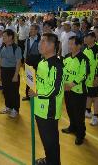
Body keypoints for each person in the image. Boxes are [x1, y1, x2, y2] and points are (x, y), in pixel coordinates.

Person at [28, 33, 64, 165]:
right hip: (38, 107)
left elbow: (55, 89)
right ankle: (49, 160)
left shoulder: (57, 65)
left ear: (52, 46)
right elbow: (40, 82)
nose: (40, 44)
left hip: (49, 110)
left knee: (51, 142)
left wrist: (37, 94)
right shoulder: (42, 62)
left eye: (43, 42)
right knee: (46, 140)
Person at [62, 36, 89, 145]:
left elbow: (83, 74)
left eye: (72, 44)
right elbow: (63, 71)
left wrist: (72, 84)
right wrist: (64, 84)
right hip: (67, 89)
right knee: (70, 110)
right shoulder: (67, 57)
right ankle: (72, 127)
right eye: (69, 44)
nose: (70, 46)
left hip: (78, 91)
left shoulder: (83, 58)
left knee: (79, 114)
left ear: (79, 45)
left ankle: (80, 134)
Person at [0, 29, 22, 118]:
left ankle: (15, 109)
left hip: (12, 71)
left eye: (4, 36)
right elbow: (0, 59)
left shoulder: (16, 48)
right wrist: (0, 72)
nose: (3, 38)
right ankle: (8, 107)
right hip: (4, 71)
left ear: (10, 37)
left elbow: (18, 62)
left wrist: (16, 75)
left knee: (14, 92)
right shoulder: (3, 46)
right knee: (5, 91)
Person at [84, 32, 98, 126]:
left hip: (94, 78)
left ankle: (95, 116)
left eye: (86, 37)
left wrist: (97, 77)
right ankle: (87, 111)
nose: (85, 39)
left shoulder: (97, 50)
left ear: (92, 38)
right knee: (88, 95)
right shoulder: (85, 49)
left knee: (95, 97)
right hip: (87, 78)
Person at [22, 24, 41, 101]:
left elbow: (41, 53)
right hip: (28, 61)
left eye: (33, 29)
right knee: (28, 79)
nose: (31, 31)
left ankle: (35, 95)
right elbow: (26, 51)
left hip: (36, 62)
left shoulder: (40, 40)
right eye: (30, 29)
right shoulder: (28, 39)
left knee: (36, 80)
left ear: (37, 31)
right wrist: (24, 61)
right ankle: (28, 95)